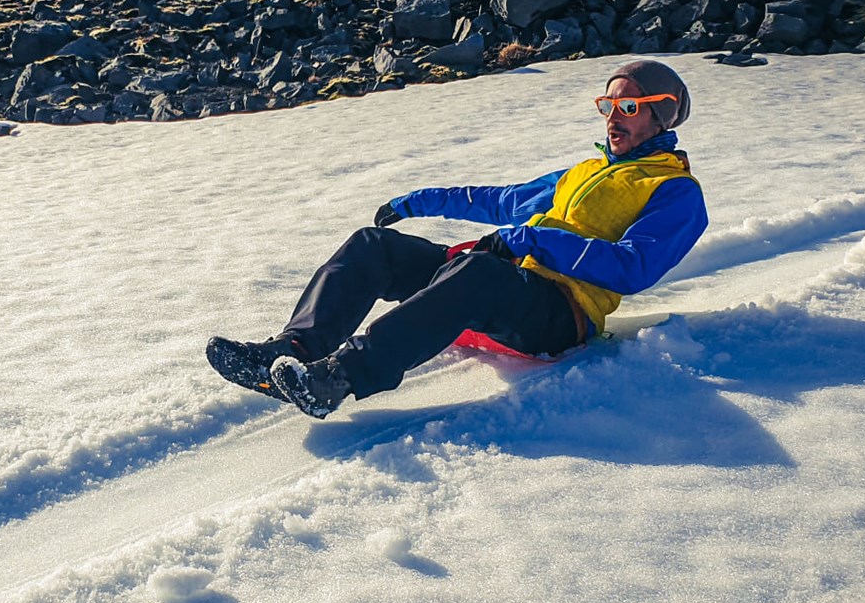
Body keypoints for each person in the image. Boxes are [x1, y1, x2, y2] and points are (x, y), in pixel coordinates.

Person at [207, 60, 709, 419]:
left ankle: (336, 378)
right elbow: (500, 201)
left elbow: (634, 267)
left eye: (627, 105)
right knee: (372, 246)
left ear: (661, 113)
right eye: (607, 104)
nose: (611, 116)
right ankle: (285, 353)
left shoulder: (676, 193)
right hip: (504, 283)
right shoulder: (585, 171)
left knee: (480, 271)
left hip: (561, 314)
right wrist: (417, 201)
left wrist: (530, 243)